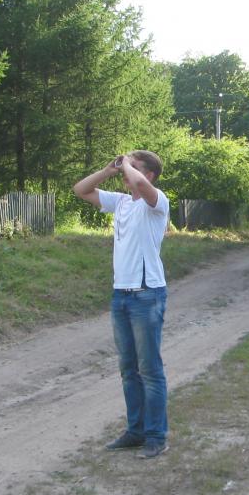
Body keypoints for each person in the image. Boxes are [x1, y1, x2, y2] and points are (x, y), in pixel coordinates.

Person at [73, 151, 171, 459]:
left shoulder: (157, 203)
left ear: (149, 175)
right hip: (121, 295)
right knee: (128, 369)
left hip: (147, 293)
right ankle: (135, 431)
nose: (126, 173)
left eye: (134, 169)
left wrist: (129, 166)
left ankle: (156, 436)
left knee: (150, 370)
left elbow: (139, 182)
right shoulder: (121, 202)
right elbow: (81, 190)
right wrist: (107, 170)